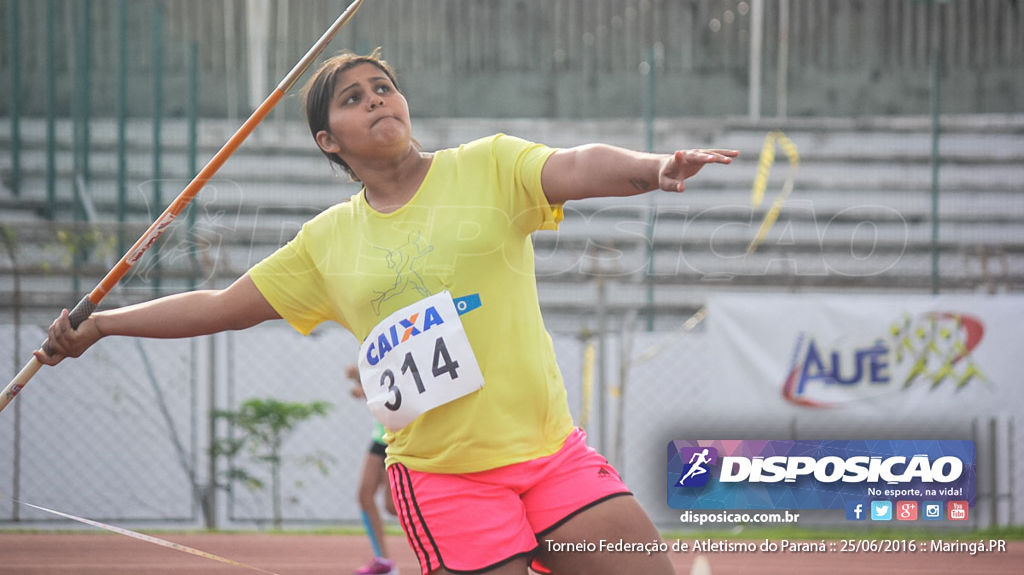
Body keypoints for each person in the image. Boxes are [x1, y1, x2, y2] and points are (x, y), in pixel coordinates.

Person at [39, 48, 739, 575]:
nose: (378, 100)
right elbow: (221, 305)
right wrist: (101, 323)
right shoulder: (327, 242)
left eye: (384, 87)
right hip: (444, 479)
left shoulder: (488, 166)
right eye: (353, 97)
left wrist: (652, 168)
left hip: (551, 456)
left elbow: (577, 164)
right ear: (328, 140)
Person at [347, 363, 400, 575]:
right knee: (364, 496)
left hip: (395, 437)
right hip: (380, 436)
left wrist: (362, 385)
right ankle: (384, 562)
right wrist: (361, 380)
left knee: (393, 507)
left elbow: (397, 385)